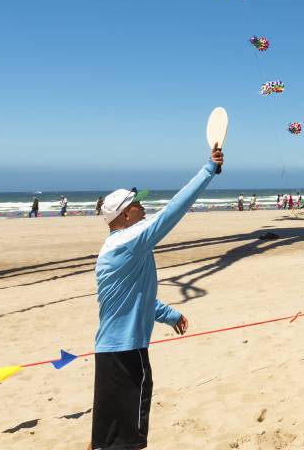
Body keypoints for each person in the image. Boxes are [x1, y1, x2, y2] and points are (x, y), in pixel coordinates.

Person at [92, 143, 224, 450]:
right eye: (137, 203)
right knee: (129, 440)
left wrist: (169, 315)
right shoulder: (130, 240)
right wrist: (208, 170)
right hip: (128, 353)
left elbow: (134, 298)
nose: (143, 206)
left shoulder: (112, 247)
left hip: (109, 352)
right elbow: (172, 212)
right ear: (126, 214)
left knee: (107, 439)